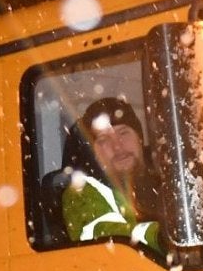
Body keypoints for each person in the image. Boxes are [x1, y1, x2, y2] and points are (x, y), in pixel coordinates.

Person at [59, 96, 162, 250]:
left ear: (139, 138)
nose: (117, 146)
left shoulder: (168, 177)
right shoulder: (82, 194)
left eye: (123, 133)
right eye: (104, 139)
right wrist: (163, 236)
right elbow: (110, 239)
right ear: (93, 153)